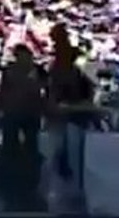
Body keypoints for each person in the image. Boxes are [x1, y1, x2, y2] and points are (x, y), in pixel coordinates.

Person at [47, 24, 95, 199]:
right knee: (63, 152)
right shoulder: (58, 67)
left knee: (71, 152)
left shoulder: (74, 70)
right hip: (65, 113)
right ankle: (70, 190)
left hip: (73, 113)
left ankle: (74, 190)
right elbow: (54, 91)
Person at [0, 44, 44, 177]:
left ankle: (30, 171)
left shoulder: (37, 70)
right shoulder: (9, 71)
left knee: (31, 143)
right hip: (13, 111)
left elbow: (45, 89)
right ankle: (7, 171)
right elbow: (2, 90)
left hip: (31, 111)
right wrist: (1, 106)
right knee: (10, 142)